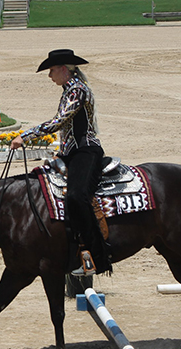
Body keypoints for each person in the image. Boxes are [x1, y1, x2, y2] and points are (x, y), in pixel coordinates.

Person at [10, 49, 111, 276]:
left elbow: (59, 121)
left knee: (77, 196)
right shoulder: (69, 89)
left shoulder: (77, 90)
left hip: (86, 152)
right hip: (71, 153)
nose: (50, 76)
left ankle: (97, 256)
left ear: (64, 69)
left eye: (52, 70)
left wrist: (25, 136)